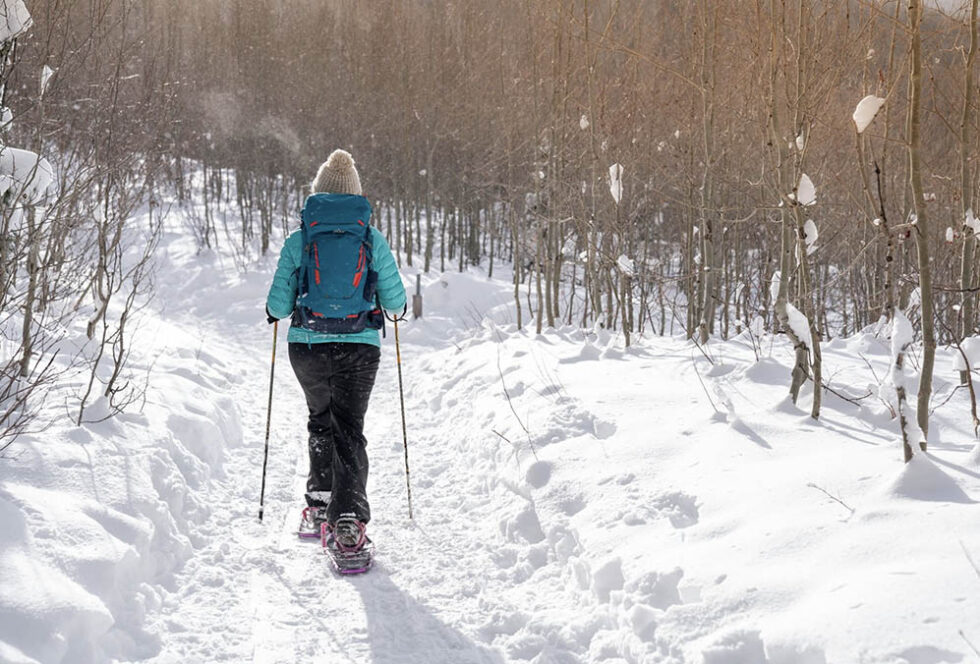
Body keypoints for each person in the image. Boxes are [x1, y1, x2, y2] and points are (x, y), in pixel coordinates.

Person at [265, 149, 406, 550]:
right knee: (349, 428)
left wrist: (277, 312)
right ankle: (347, 519)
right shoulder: (370, 237)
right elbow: (395, 302)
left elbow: (278, 305)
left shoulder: (301, 238)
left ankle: (319, 502)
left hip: (307, 346)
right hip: (359, 346)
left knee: (320, 420)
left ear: (318, 195)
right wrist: (397, 308)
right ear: (356, 195)